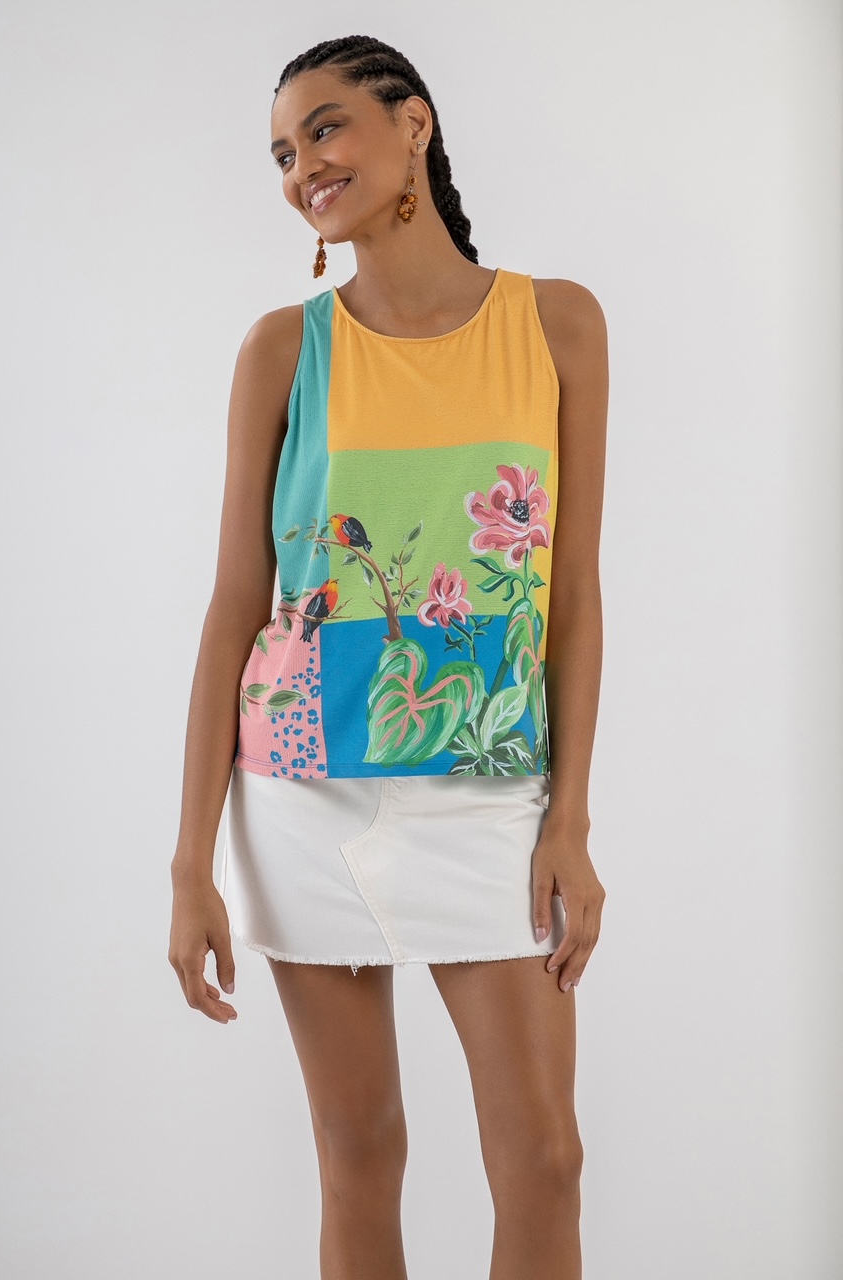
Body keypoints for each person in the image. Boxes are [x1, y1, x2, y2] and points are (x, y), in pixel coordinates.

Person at [169, 34, 608, 1280]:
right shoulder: (282, 348)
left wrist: (569, 818)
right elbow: (233, 607)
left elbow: (570, 590)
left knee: (543, 1160)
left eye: (323, 128)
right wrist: (190, 862)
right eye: (280, 151)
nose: (300, 166)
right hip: (299, 787)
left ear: (411, 123)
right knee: (358, 1150)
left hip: (488, 785)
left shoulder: (555, 322)